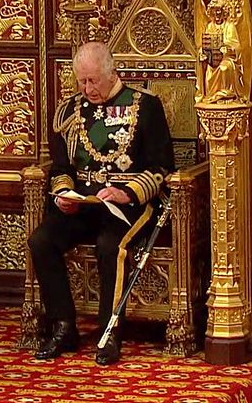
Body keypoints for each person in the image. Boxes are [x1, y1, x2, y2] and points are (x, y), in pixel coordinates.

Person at [28, 42, 174, 365]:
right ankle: (64, 326)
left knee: (111, 246)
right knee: (41, 240)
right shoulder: (71, 112)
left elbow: (162, 167)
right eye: (82, 81)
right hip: (85, 204)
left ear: (112, 72)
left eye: (93, 80)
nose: (87, 89)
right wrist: (64, 193)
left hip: (129, 205)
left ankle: (109, 333)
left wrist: (127, 193)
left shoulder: (145, 106)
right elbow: (62, 167)